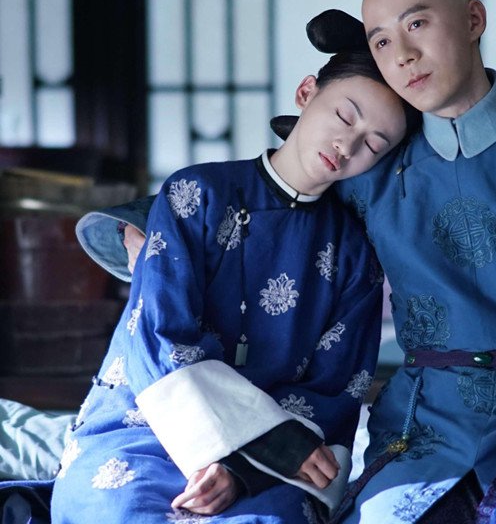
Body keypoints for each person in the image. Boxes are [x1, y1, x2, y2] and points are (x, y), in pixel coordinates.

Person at [99, 0, 496, 523]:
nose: (404, 55)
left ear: (473, 20)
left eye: (417, 24)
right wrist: (145, 223)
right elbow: (271, 192)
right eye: (382, 41)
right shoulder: (374, 165)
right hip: (423, 423)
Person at [47, 27, 420, 524]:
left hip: (276, 463)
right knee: (122, 509)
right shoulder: (194, 194)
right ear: (306, 92)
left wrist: (242, 468)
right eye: (344, 116)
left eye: (373, 143)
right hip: (145, 427)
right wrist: (238, 445)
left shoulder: (354, 256)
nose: (347, 145)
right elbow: (158, 337)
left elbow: (336, 389)